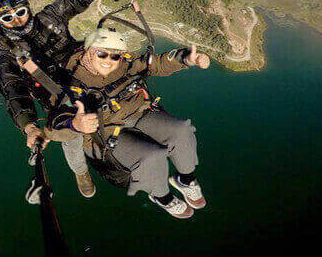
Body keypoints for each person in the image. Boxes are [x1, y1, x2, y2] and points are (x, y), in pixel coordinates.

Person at [0, 0, 134, 198]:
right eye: (8, 18)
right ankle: (81, 171)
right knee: (71, 137)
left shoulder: (49, 17)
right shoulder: (6, 51)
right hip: (55, 95)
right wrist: (28, 125)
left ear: (28, 10)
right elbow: (12, 88)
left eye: (20, 13)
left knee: (118, 90)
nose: (17, 21)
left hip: (81, 74)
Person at [45, 26, 210, 219]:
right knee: (151, 157)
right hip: (104, 132)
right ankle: (162, 197)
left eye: (115, 56)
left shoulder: (124, 64)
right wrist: (74, 125)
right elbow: (55, 124)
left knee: (182, 131)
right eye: (101, 54)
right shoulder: (70, 83)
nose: (109, 61)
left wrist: (185, 59)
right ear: (89, 51)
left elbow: (153, 63)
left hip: (137, 112)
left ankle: (186, 179)